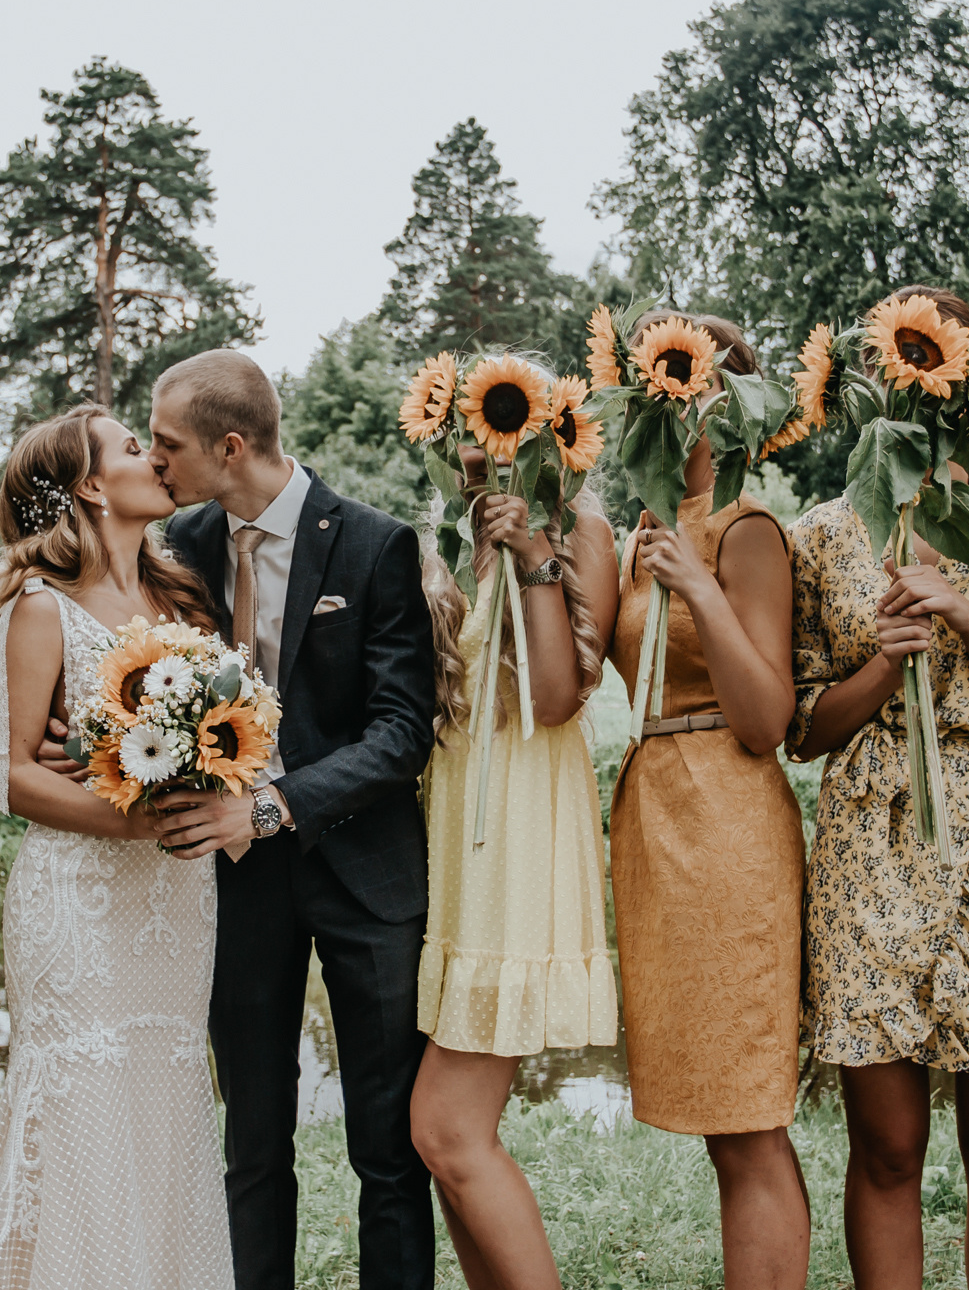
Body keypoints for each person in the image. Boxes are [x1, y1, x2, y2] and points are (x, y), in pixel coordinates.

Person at [786, 287, 969, 1290]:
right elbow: (801, 724)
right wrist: (884, 662)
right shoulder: (825, 533)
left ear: (963, 378)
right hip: (869, 839)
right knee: (886, 1149)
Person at [146, 349, 443, 1290]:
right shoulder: (177, 546)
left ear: (230, 446)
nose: (155, 463)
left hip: (364, 871)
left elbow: (403, 733)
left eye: (166, 446)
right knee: (253, 1138)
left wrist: (269, 807)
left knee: (387, 1146)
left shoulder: (373, 543)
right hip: (233, 882)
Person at [0, 403, 234, 1290]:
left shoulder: (183, 598)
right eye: (133, 448)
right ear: (92, 487)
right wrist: (136, 818)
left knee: (164, 1097)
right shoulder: (41, 609)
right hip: (81, 904)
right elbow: (12, 775)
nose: (152, 457)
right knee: (83, 1100)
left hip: (178, 901)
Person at [606, 314, 810, 1290]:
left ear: (724, 403)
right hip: (652, 819)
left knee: (747, 1117)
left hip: (730, 821)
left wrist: (700, 584)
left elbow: (768, 716)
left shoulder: (748, 527)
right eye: (651, 387)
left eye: (682, 387)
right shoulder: (637, 529)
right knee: (713, 1120)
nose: (664, 405)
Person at [411, 378, 618, 1290]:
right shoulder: (441, 541)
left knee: (446, 1129)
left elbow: (556, 696)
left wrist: (530, 549)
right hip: (450, 827)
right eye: (458, 435)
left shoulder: (585, 536)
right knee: (450, 1143)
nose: (473, 453)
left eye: (490, 433)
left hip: (524, 827)